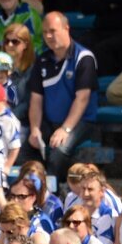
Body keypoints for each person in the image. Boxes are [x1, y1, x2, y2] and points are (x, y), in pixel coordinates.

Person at [24, 13, 98, 182]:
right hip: (49, 122)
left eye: (53, 31)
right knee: (26, 146)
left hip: (80, 123)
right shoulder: (42, 59)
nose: (48, 36)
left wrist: (65, 129)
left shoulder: (83, 57)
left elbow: (82, 98)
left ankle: (51, 195)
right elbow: (36, 99)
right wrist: (35, 128)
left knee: (59, 150)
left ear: (66, 29)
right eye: (44, 32)